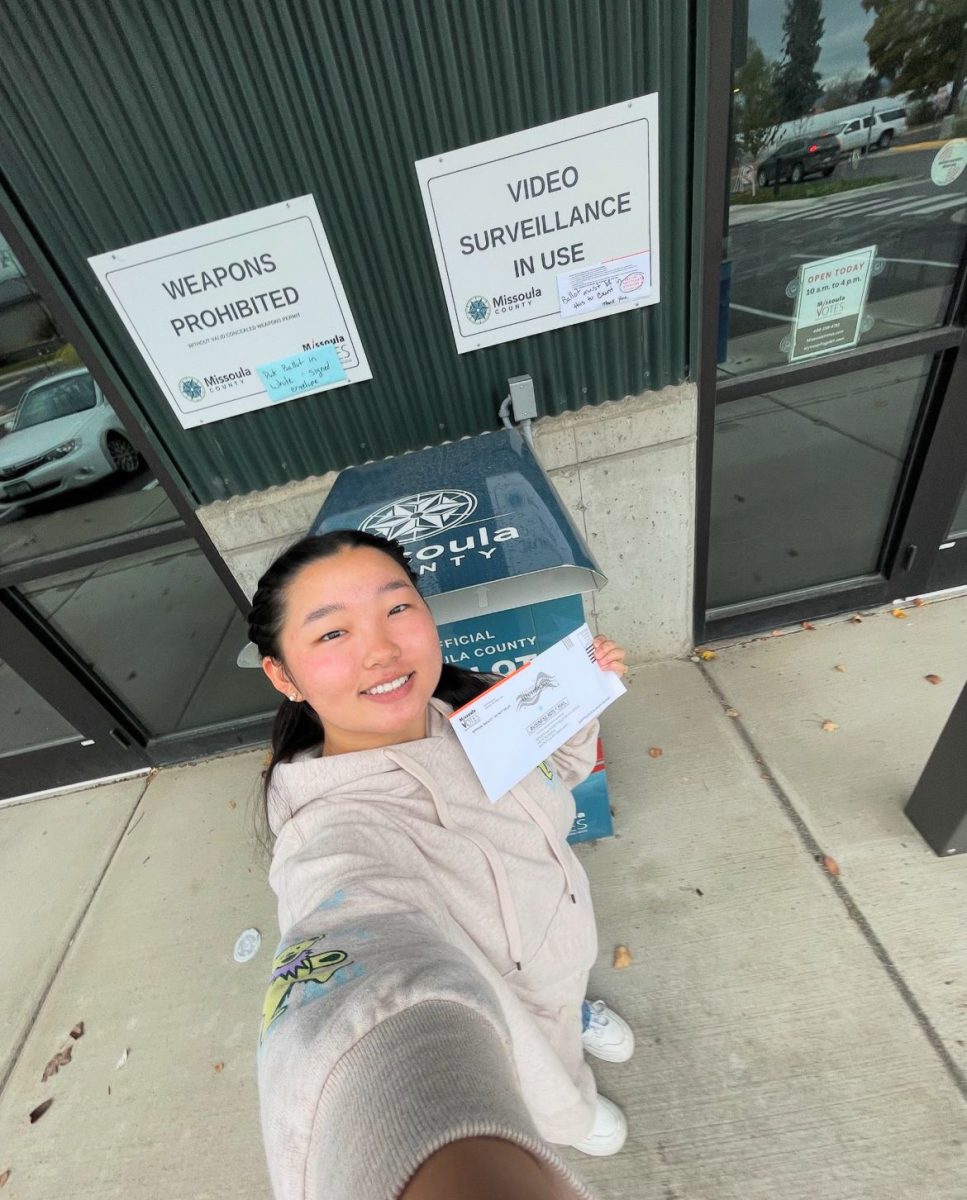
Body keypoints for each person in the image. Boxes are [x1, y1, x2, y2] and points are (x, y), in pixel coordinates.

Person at [248, 529, 636, 1200]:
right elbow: (353, 968)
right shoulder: (331, 833)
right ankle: (568, 1108)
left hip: (562, 945)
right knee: (544, 1081)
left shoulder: (472, 708)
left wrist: (570, 707)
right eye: (331, 634)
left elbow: (559, 776)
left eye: (397, 608)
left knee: (561, 1000)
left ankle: (573, 1017)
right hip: (502, 1011)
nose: (381, 649)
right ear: (284, 675)